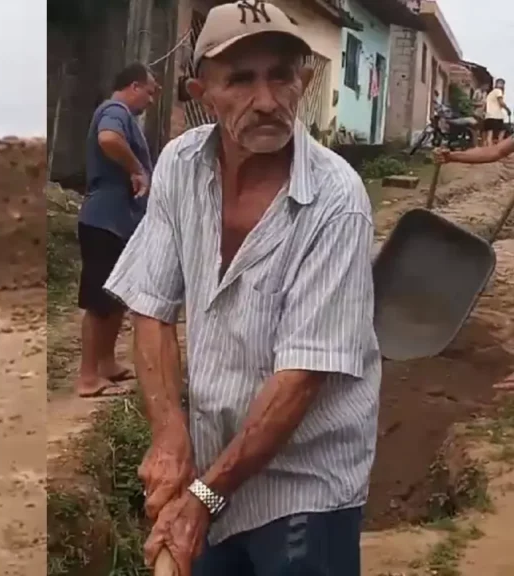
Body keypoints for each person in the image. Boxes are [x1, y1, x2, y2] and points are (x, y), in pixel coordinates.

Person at [104, 3, 380, 575]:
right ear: (202, 90)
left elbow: (300, 380)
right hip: (211, 469)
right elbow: (151, 309)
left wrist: (203, 495)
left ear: (302, 80)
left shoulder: (337, 201)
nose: (267, 100)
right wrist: (169, 437)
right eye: (242, 80)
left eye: (281, 75)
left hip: (304, 486)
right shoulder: (180, 165)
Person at [74, 62, 158, 398]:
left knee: (115, 296)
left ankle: (106, 363)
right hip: (103, 221)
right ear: (134, 86)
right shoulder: (114, 110)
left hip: (120, 222)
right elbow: (108, 139)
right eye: (150, 92)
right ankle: (87, 377)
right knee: (99, 301)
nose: (151, 100)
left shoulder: (126, 115)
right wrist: (137, 170)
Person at [483, 78, 509, 147]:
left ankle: (488, 151)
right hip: (496, 116)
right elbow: (501, 102)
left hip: (488, 116)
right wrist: (507, 109)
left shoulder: (490, 94)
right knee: (502, 131)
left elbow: (485, 106)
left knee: (489, 135)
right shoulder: (498, 91)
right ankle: (499, 148)